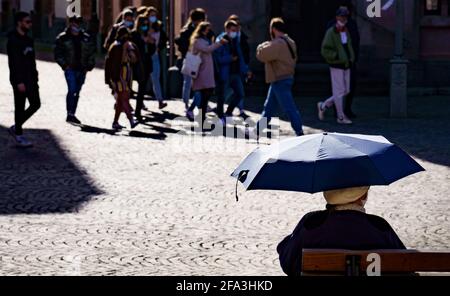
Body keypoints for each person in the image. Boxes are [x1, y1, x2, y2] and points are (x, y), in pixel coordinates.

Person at [277, 186, 406, 276]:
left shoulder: (312, 223)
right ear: (364, 196)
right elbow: (405, 263)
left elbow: (288, 263)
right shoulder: (379, 226)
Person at [248, 18, 304, 139]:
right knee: (269, 108)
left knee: (289, 107)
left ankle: (299, 132)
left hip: (280, 79)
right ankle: (257, 131)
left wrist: (260, 46)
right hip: (284, 78)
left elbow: (262, 55)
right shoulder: (290, 41)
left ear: (273, 29)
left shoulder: (278, 43)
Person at [7, 11, 41, 148]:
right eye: (27, 22)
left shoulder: (28, 40)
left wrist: (35, 76)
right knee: (19, 107)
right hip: (19, 80)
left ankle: (16, 126)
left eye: (30, 22)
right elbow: (13, 63)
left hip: (31, 79)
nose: (30, 24)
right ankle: (19, 135)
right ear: (19, 23)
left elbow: (32, 61)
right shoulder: (13, 41)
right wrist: (18, 81)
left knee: (36, 104)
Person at [54, 15, 97, 125]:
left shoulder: (86, 38)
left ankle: (72, 113)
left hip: (82, 69)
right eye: (74, 23)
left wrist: (89, 66)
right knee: (72, 90)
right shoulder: (63, 38)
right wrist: (64, 65)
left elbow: (91, 53)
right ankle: (69, 113)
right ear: (70, 24)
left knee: (77, 92)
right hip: (70, 69)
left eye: (78, 23)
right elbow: (58, 54)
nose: (76, 25)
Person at [318, 7, 355, 125]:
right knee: (339, 92)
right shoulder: (331, 31)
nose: (344, 18)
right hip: (337, 65)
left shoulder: (346, 30)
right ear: (337, 17)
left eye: (345, 16)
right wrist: (336, 57)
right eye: (342, 16)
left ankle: (323, 106)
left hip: (346, 64)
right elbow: (325, 49)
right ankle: (340, 117)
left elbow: (348, 45)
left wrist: (351, 58)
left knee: (345, 90)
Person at [188, 22, 227, 131]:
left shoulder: (205, 40)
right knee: (203, 97)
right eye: (207, 29)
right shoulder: (198, 41)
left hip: (207, 72)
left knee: (206, 97)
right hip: (201, 72)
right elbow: (207, 49)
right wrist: (219, 43)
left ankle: (202, 121)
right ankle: (201, 121)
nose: (208, 31)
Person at [327, 2, 360, 119]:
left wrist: (353, 58)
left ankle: (345, 109)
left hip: (349, 61)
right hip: (337, 62)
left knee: (349, 87)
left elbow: (355, 42)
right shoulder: (332, 25)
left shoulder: (351, 24)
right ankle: (337, 110)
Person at [214, 20, 250, 123]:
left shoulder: (235, 41)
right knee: (222, 96)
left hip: (236, 73)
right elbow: (218, 58)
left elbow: (240, 57)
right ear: (227, 30)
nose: (235, 32)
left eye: (236, 30)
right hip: (225, 73)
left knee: (240, 94)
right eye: (232, 30)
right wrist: (230, 58)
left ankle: (228, 112)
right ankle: (220, 117)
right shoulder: (220, 41)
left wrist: (246, 70)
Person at [105, 27, 139, 131]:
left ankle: (115, 122)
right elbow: (112, 64)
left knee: (120, 100)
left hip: (126, 73)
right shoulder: (116, 46)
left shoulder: (128, 45)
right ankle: (131, 120)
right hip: (119, 74)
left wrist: (129, 50)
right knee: (123, 97)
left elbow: (134, 59)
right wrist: (113, 80)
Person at [175, 8, 208, 111]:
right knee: (188, 82)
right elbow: (180, 44)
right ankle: (186, 103)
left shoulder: (205, 30)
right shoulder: (186, 31)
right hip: (190, 59)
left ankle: (198, 103)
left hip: (202, 60)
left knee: (200, 83)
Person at [131, 15, 156, 122]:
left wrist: (151, 43)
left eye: (147, 24)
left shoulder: (148, 35)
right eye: (143, 24)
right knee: (128, 89)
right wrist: (142, 41)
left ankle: (138, 112)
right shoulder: (133, 35)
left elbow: (151, 51)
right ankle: (125, 107)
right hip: (135, 64)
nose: (145, 26)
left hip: (145, 65)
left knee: (142, 89)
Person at [146, 7, 168, 110]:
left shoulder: (159, 26)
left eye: (154, 15)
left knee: (156, 78)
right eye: (151, 15)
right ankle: (140, 103)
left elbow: (164, 38)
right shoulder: (143, 26)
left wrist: (160, 47)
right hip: (145, 56)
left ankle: (160, 100)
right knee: (143, 79)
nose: (153, 17)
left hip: (155, 55)